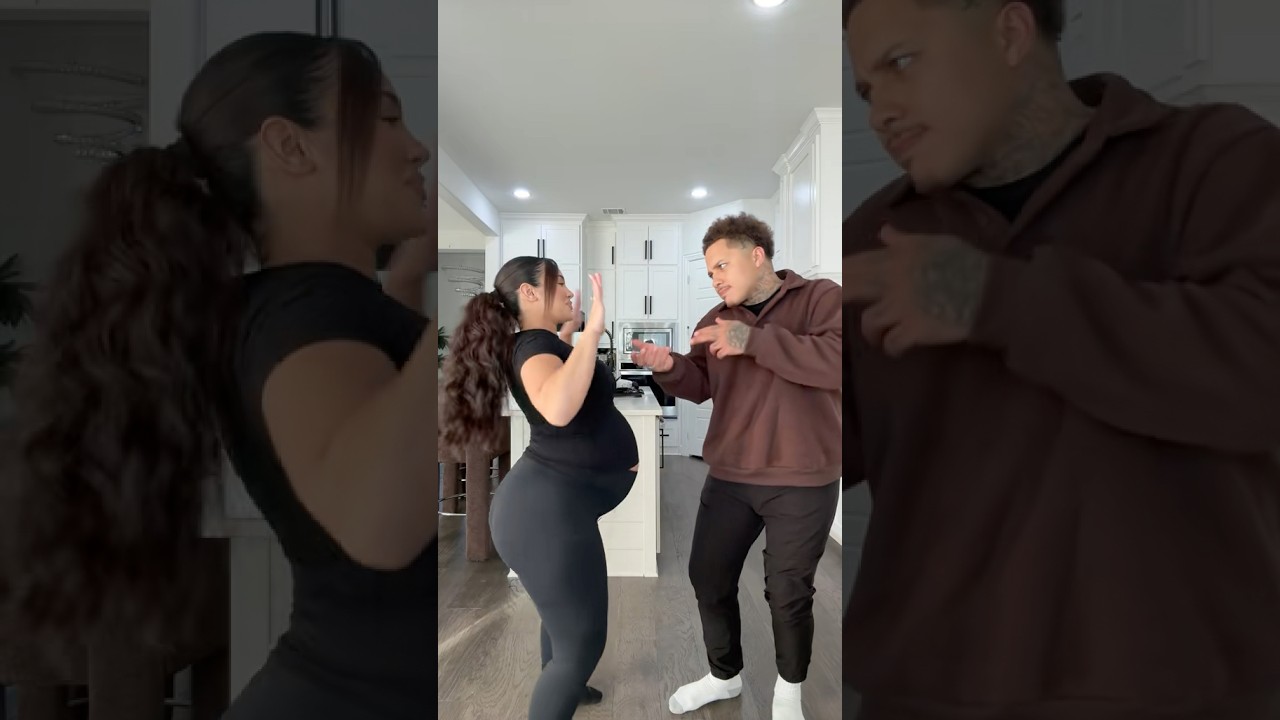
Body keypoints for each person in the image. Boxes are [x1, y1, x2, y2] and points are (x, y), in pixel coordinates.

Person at [842, 0, 1280, 719]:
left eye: (902, 63)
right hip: (926, 695)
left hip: (1188, 696)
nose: (880, 112)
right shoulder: (873, 239)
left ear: (1010, 31)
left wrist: (992, 298)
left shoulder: (1217, 160)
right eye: (866, 89)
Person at [6, 31, 437, 719]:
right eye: (386, 118)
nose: (417, 148)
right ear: (289, 146)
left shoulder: (302, 305)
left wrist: (411, 288)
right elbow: (376, 524)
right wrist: (473, 313)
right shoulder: (304, 315)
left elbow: (379, 400)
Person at [630, 213, 842, 720]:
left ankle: (788, 694)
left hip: (801, 479)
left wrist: (753, 341)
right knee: (708, 575)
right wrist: (668, 368)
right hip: (730, 477)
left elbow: (838, 360)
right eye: (709, 272)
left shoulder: (820, 298)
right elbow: (701, 382)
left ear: (757, 255)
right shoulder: (714, 319)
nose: (715, 278)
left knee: (787, 591)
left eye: (722, 265)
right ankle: (723, 676)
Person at [440, 260, 637, 720]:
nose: (568, 290)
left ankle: (567, 683)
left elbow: (557, 375)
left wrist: (570, 334)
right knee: (582, 642)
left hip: (552, 507)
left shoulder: (538, 344)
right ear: (529, 294)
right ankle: (564, 680)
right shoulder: (531, 347)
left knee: (563, 620)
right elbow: (558, 408)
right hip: (544, 514)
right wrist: (592, 331)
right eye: (559, 282)